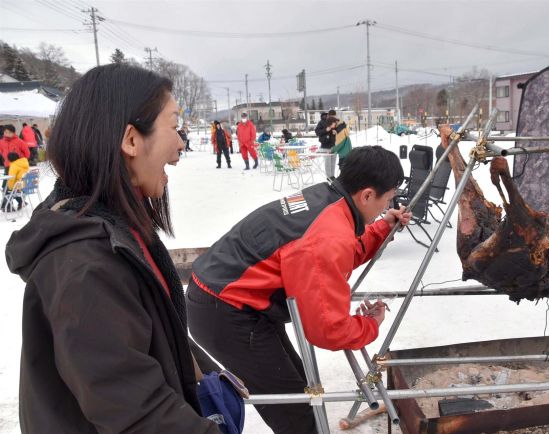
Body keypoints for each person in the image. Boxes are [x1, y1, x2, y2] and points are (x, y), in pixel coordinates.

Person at [5, 64, 220, 434]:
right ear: (132, 140)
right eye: (173, 125)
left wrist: (206, 370)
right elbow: (136, 411)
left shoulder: (116, 229)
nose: (182, 142)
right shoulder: (85, 265)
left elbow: (148, 327)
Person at [186, 146, 411, 434]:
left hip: (232, 298)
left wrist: (382, 229)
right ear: (367, 194)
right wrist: (370, 325)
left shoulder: (330, 199)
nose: (386, 207)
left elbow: (332, 251)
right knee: (297, 414)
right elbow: (326, 328)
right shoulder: (328, 236)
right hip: (226, 312)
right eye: (387, 200)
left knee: (303, 392)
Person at [315, 110, 337, 177]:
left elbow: (338, 130)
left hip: (333, 146)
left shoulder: (334, 121)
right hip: (325, 147)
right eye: (332, 116)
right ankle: (329, 178)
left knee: (333, 163)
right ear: (328, 116)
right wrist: (326, 130)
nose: (333, 118)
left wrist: (336, 132)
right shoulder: (321, 122)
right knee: (328, 164)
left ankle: (332, 177)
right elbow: (317, 132)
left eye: (334, 117)